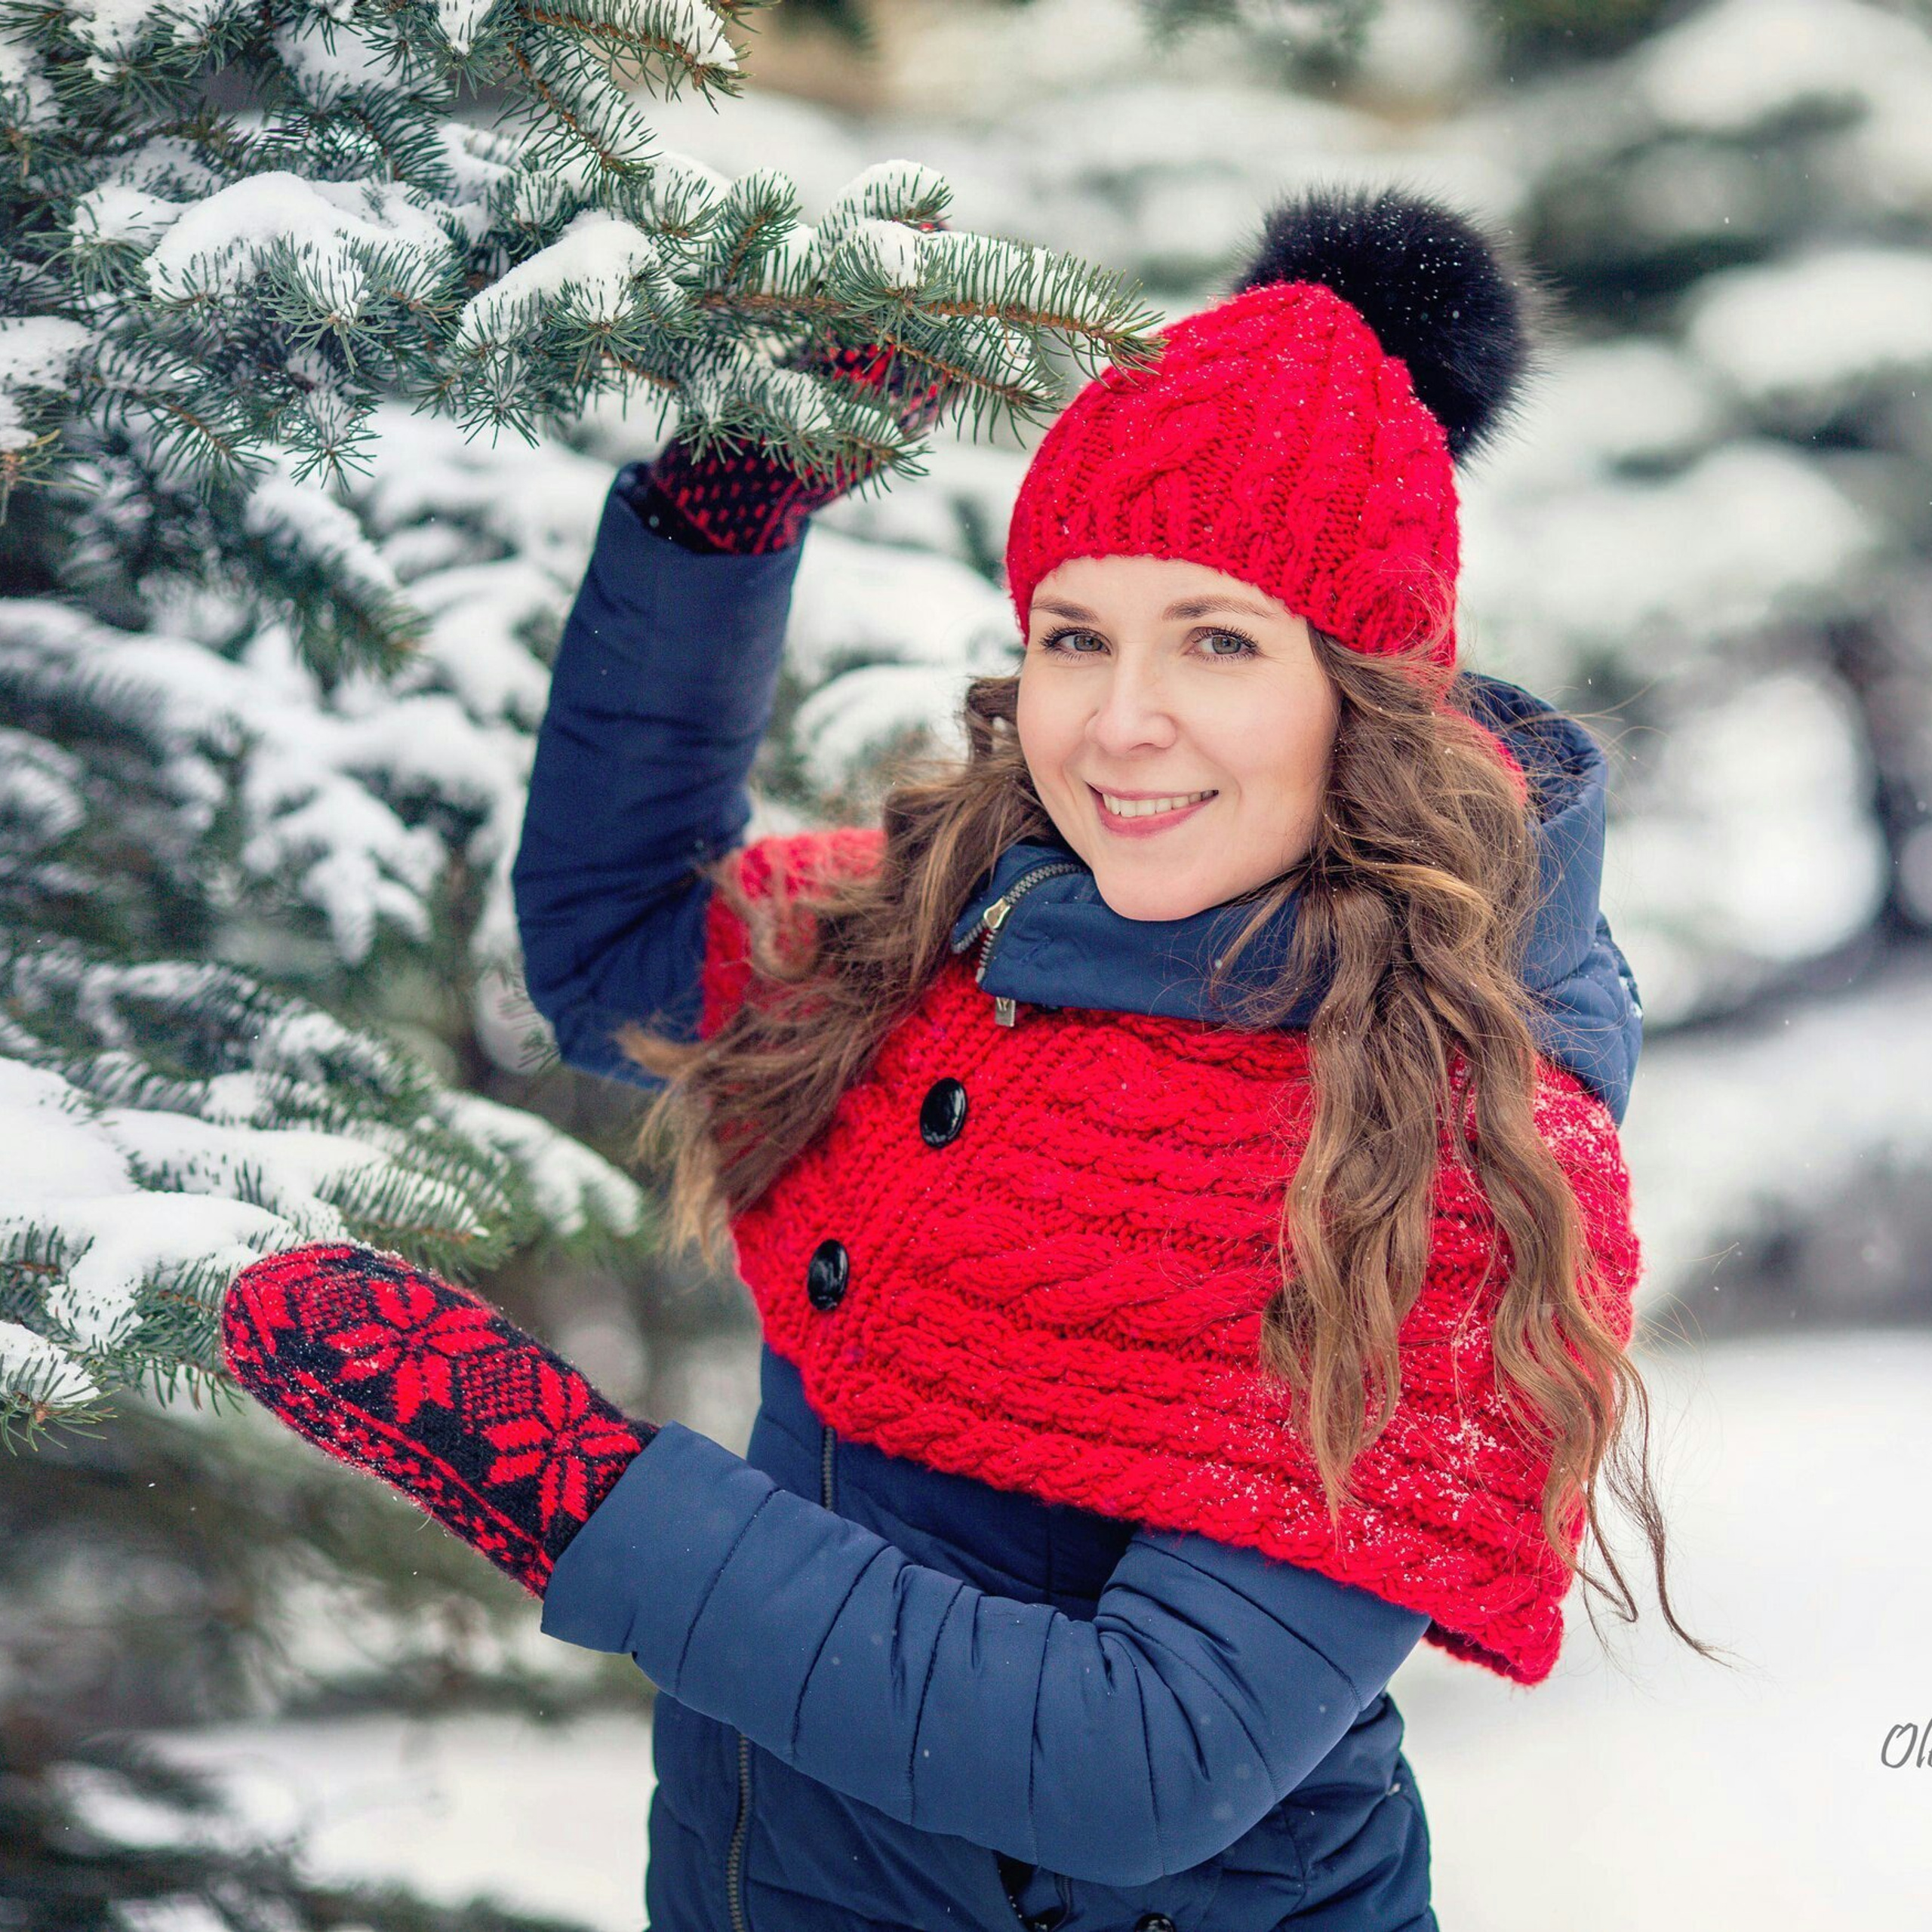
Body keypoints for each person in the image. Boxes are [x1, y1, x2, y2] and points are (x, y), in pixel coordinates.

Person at [221, 184, 1717, 1932]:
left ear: (1363, 690)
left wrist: (564, 1483)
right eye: (1074, 632)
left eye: (1217, 640)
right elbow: (615, 944)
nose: (1118, 717)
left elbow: (1139, 1752)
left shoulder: (1443, 1135)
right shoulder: (966, 936)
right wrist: (715, 528)